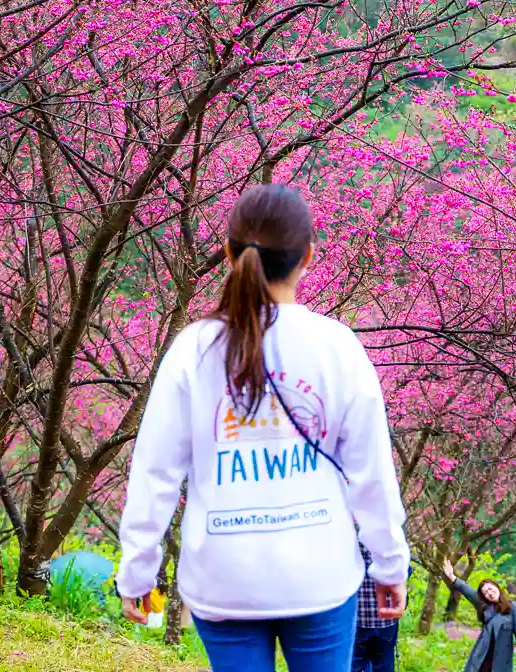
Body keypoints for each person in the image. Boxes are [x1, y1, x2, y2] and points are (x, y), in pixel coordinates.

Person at [116, 184, 410, 672]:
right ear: (308, 256)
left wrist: (138, 572)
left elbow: (155, 472)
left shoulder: (194, 348)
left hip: (223, 575)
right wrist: (389, 564)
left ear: (229, 253)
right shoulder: (336, 346)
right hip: (319, 572)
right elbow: (372, 473)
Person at [441, 559, 516, 672]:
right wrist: (452, 577)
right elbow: (466, 590)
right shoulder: (484, 605)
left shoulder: (513, 608)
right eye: (486, 593)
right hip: (482, 655)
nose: (489, 593)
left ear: (497, 588)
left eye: (490, 589)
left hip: (502, 658)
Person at [352, 542, 399, 672]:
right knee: (384, 665)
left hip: (359, 619)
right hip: (386, 619)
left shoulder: (351, 543)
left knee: (352, 665)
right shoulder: (390, 542)